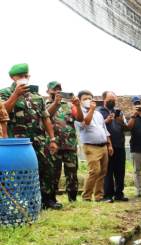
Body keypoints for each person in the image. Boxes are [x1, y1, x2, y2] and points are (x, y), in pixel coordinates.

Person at [0, 63, 61, 209]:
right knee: (21, 171)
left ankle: (47, 200)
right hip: (17, 142)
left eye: (25, 76)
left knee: (46, 168)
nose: (23, 79)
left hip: (39, 140)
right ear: (12, 78)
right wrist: (16, 94)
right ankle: (24, 202)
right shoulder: (4, 93)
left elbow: (45, 118)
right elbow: (3, 112)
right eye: (20, 76)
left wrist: (52, 139)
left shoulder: (37, 97)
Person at [46, 81, 83, 202]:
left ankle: (73, 199)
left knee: (72, 174)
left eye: (59, 89)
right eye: (54, 89)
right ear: (48, 91)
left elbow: (80, 118)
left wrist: (77, 106)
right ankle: (52, 200)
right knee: (53, 174)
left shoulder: (69, 105)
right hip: (53, 146)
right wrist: (55, 103)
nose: (57, 91)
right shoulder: (43, 104)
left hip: (70, 145)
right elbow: (46, 116)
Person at [75, 90, 113, 202]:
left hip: (103, 146)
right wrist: (91, 109)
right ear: (80, 101)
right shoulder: (79, 113)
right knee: (94, 171)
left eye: (89, 98)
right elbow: (86, 123)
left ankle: (99, 196)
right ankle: (86, 196)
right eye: (85, 99)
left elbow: (104, 130)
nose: (88, 101)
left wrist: (109, 144)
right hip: (90, 146)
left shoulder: (98, 114)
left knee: (102, 172)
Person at [99, 91, 128, 202]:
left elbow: (126, 127)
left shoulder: (119, 112)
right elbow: (97, 127)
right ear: (104, 99)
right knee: (108, 172)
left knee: (120, 171)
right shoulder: (99, 112)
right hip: (107, 146)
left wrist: (120, 121)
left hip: (120, 145)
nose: (112, 101)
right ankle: (108, 195)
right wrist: (106, 121)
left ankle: (119, 194)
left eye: (114, 99)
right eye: (110, 99)